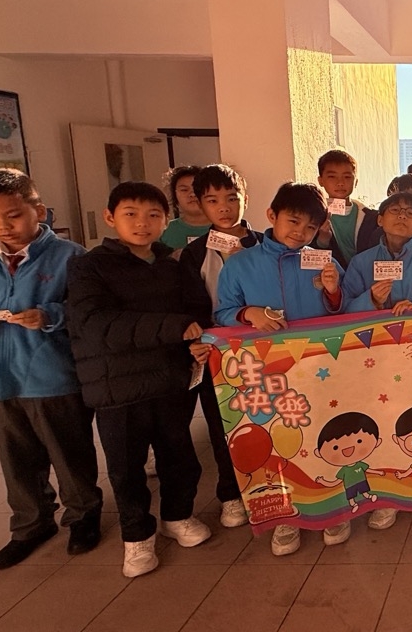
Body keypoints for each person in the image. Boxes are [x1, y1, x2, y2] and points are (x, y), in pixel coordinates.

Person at [0, 169, 103, 569]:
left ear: (38, 211)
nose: (2, 226)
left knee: (70, 452)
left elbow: (88, 308)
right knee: (15, 458)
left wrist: (49, 315)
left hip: (52, 377)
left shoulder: (70, 257)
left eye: (13, 215)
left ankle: (83, 516)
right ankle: (31, 524)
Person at [66, 181, 212, 578]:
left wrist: (199, 341)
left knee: (179, 456)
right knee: (126, 467)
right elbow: (95, 324)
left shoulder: (172, 265)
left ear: (166, 221)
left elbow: (196, 311)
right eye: (130, 214)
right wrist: (174, 328)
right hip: (117, 386)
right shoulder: (89, 266)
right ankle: (137, 537)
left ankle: (177, 516)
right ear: (110, 218)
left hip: (170, 379)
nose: (142, 223)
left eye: (153, 215)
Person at [215, 182, 346, 550]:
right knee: (278, 440)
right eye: (293, 221)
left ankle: (333, 509)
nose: (300, 232)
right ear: (271, 215)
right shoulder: (240, 264)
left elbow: (346, 311)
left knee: (325, 436)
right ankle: (286, 516)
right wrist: (248, 313)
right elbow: (222, 313)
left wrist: (333, 291)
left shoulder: (323, 261)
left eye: (310, 227)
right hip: (267, 373)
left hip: (321, 368)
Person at [342, 192, 412, 526]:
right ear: (380, 219)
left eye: (410, 213)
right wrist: (371, 300)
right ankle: (388, 496)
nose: (402, 216)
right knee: (382, 420)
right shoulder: (361, 263)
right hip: (373, 358)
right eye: (395, 210)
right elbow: (342, 310)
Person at [177, 164, 258, 529]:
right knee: (222, 423)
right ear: (200, 204)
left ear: (245, 199)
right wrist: (196, 340)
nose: (224, 207)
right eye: (212, 200)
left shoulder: (266, 244)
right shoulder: (193, 255)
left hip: (266, 352)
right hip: (217, 355)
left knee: (268, 418)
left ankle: (270, 486)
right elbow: (191, 307)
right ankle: (230, 493)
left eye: (231, 198)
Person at [314, 150, 380, 267]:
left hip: (365, 277)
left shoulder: (372, 217)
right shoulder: (314, 217)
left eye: (347, 177)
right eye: (332, 176)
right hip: (330, 276)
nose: (340, 183)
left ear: (356, 181)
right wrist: (322, 242)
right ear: (320, 181)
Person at [159, 166, 210, 250]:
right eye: (184, 190)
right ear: (174, 195)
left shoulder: (226, 228)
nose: (192, 194)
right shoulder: (164, 231)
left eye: (197, 188)